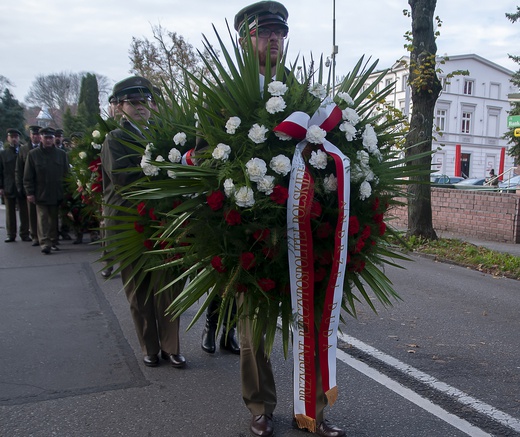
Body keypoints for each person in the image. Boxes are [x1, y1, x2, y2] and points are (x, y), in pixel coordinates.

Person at [233, 3, 345, 436]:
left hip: (302, 225)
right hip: (251, 229)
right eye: (263, 32)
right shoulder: (229, 91)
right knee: (252, 329)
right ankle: (260, 406)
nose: (273, 38)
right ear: (246, 38)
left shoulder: (302, 93)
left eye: (279, 31)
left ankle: (313, 409)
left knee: (313, 317)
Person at [101, 76, 186, 368]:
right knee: (140, 289)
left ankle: (171, 346)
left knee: (168, 287)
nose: (140, 108)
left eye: (144, 102)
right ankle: (150, 347)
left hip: (161, 221)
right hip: (129, 223)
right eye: (133, 103)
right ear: (120, 107)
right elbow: (124, 180)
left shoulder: (162, 135)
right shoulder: (115, 140)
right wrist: (161, 178)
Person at [23, 127, 69, 254]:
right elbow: (28, 176)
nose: (48, 140)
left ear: (54, 138)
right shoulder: (33, 154)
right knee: (42, 218)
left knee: (53, 219)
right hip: (40, 192)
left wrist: (67, 192)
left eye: (50, 138)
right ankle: (45, 243)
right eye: (46, 137)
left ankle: (53, 241)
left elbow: (67, 174)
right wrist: (29, 192)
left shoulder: (61, 154)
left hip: (56, 192)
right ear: (41, 138)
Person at [0, 128, 30, 243]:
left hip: (21, 185)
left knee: (24, 211)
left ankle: (24, 233)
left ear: (19, 138)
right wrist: (1, 187)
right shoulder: (3, 153)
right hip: (9, 186)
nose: (14, 139)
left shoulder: (23, 152)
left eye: (16, 137)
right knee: (10, 212)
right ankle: (11, 234)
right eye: (11, 137)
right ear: (8, 138)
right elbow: (0, 171)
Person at [16, 125, 42, 245]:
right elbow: (19, 170)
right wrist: (21, 187)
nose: (36, 136)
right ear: (30, 135)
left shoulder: (45, 148)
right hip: (31, 185)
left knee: (44, 213)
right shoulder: (24, 149)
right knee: (31, 212)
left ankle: (45, 235)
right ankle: (35, 235)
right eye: (33, 134)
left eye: (37, 134)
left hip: (43, 186)